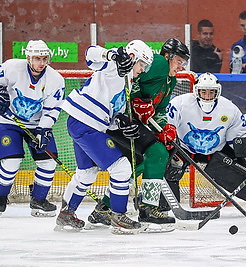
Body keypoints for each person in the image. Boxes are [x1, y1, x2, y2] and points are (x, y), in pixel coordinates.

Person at [87, 38, 190, 232]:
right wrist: (135, 101)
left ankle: (104, 207)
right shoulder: (159, 63)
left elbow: (158, 111)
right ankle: (148, 209)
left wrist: (166, 127)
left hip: (132, 124)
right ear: (168, 56)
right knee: (158, 153)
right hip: (121, 120)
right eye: (179, 61)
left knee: (138, 164)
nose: (181, 66)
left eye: (183, 63)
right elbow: (132, 77)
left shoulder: (170, 81)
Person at [55, 40, 154, 233]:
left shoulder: (127, 82)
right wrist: (113, 55)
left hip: (85, 123)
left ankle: (66, 213)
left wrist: (122, 124)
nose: (142, 70)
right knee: (122, 169)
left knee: (87, 173)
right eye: (142, 65)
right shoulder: (114, 65)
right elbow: (90, 53)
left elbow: (111, 116)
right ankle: (117, 216)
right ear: (132, 57)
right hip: (86, 123)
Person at [159, 72, 246, 216]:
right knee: (172, 169)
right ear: (196, 91)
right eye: (203, 92)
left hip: (216, 152)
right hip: (184, 149)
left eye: (211, 92)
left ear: (218, 91)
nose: (207, 96)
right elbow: (167, 128)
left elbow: (238, 140)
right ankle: (162, 209)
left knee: (241, 176)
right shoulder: (180, 104)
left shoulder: (229, 108)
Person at [0, 40, 65, 217]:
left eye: (44, 58)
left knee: (49, 161)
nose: (41, 63)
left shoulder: (55, 80)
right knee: (12, 161)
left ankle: (38, 200)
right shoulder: (12, 67)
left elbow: (52, 109)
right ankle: (0, 197)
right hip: (9, 121)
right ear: (28, 57)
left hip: (37, 124)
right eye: (37, 58)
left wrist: (44, 129)